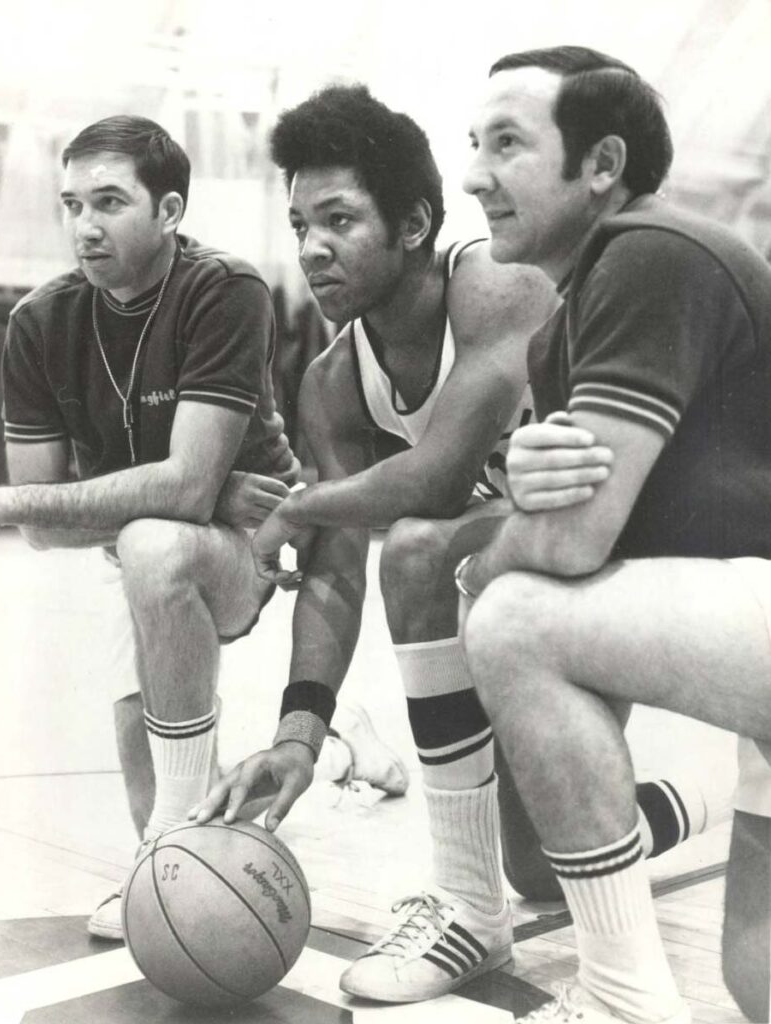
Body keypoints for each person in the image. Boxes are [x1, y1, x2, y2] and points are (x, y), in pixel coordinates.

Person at [191, 84, 732, 1004]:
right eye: (298, 225)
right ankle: (715, 793)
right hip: (527, 583)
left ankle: (466, 911)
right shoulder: (331, 382)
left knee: (416, 544)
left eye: (339, 220)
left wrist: (308, 505)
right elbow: (331, 572)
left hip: (643, 558)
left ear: (412, 225)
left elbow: (435, 483)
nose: (313, 248)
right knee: (541, 865)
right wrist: (299, 732)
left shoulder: (496, 288)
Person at [0, 114, 404, 944]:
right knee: (146, 555)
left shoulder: (223, 288)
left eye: (110, 202)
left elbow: (147, 492)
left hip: (258, 543)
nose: (85, 225)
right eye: (71, 203)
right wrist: (174, 492)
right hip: (133, 544)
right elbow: (63, 527)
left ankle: (176, 850)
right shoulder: (37, 322)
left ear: (168, 211)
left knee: (153, 547)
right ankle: (340, 752)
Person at [455, 45, 771, 1023]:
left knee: (511, 615)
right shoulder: (570, 313)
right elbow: (570, 512)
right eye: (474, 143)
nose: (472, 173)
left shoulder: (647, 251)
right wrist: (523, 497)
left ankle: (620, 1002)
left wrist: (484, 555)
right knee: (756, 980)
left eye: (505, 143)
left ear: (599, 165)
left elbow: (568, 543)